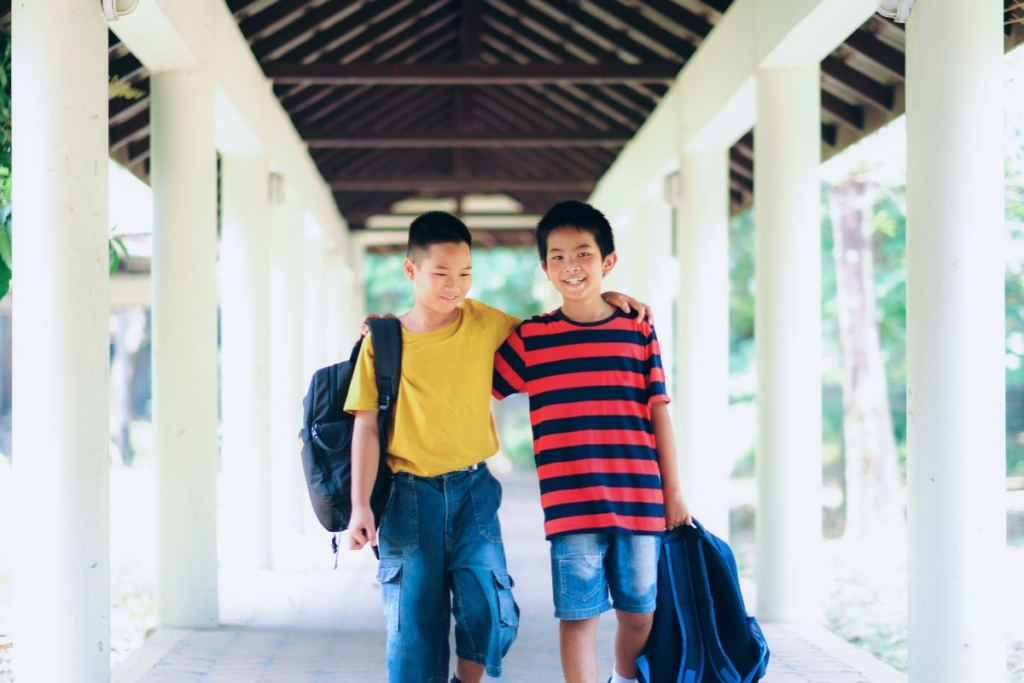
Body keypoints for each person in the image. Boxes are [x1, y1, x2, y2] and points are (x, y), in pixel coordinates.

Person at [345, 210, 650, 683]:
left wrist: (604, 297)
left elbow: (559, 331)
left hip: (473, 491)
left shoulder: (485, 321)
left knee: (490, 612)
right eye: (441, 274)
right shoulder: (383, 342)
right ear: (411, 271)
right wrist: (359, 506)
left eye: (465, 274)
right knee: (413, 632)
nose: (455, 286)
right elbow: (365, 428)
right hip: (408, 500)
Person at [492, 200, 693, 683]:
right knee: (578, 616)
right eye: (557, 257)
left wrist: (674, 492)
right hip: (570, 504)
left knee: (640, 612)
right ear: (544, 267)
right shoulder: (531, 339)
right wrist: (398, 331)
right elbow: (469, 377)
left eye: (583, 254)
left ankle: (624, 676)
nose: (570, 266)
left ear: (608, 262)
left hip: (639, 498)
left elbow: (659, 413)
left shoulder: (637, 327)